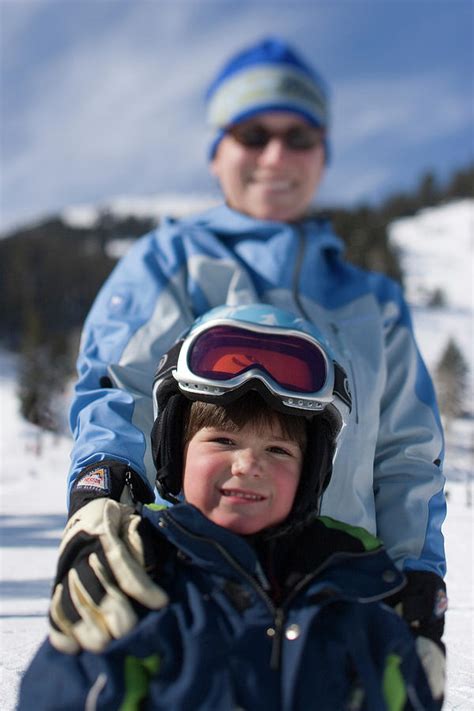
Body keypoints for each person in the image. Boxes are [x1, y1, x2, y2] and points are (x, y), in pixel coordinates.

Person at [59, 37, 447, 656]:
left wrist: (418, 582)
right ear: (217, 152)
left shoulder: (373, 303)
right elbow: (118, 389)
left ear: (323, 156)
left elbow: (407, 456)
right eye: (252, 132)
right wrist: (101, 501)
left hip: (341, 597)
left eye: (299, 137)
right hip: (189, 589)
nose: (276, 154)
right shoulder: (171, 262)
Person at [20, 305, 442, 710]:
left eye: (278, 450)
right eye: (223, 441)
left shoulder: (358, 582)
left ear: (311, 472)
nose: (249, 465)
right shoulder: (135, 575)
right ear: (175, 452)